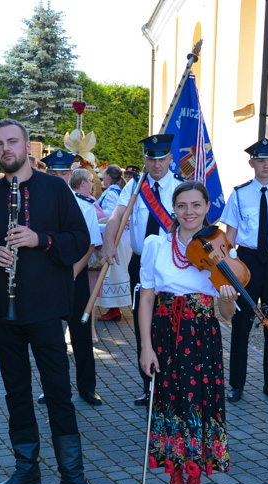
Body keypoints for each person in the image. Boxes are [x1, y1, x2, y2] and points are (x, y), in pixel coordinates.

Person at [0, 118, 109, 484]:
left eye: (12, 141)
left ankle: (72, 478)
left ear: (28, 147)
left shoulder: (55, 190)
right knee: (16, 392)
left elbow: (79, 240)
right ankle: (26, 468)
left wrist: (39, 239)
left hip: (44, 309)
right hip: (2, 312)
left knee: (59, 391)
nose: (5, 149)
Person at [138, 180, 237, 484]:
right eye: (182, 206)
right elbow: (147, 298)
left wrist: (229, 298)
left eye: (196, 205)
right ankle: (174, 482)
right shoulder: (156, 246)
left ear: (207, 208)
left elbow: (226, 315)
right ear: (174, 209)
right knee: (169, 407)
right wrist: (146, 348)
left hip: (201, 338)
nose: (189, 212)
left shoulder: (220, 249)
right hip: (165, 337)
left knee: (197, 407)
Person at [101, 134, 185, 406]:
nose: (156, 164)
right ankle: (149, 388)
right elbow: (116, 215)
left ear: (170, 158)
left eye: (161, 158)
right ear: (144, 158)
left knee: (175, 325)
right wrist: (108, 243)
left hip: (173, 264)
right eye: (151, 158)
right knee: (144, 326)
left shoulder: (181, 187)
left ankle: (175, 385)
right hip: (141, 264)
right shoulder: (135, 186)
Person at [220, 138, 268, 404]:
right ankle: (237, 384)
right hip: (247, 263)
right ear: (251, 163)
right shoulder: (239, 195)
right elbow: (229, 236)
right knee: (241, 324)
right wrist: (228, 272)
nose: (265, 165)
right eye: (260, 160)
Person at [67, 168, 103, 404]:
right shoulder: (46, 202)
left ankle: (86, 387)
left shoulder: (86, 206)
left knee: (80, 333)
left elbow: (90, 244)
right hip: (48, 276)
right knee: (48, 336)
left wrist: (72, 274)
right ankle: (52, 386)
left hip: (74, 275)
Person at [96, 164, 131, 322]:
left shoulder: (111, 193)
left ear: (108, 177)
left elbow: (112, 215)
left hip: (113, 237)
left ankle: (114, 308)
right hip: (117, 237)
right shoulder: (116, 191)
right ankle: (113, 308)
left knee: (112, 272)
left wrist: (97, 220)